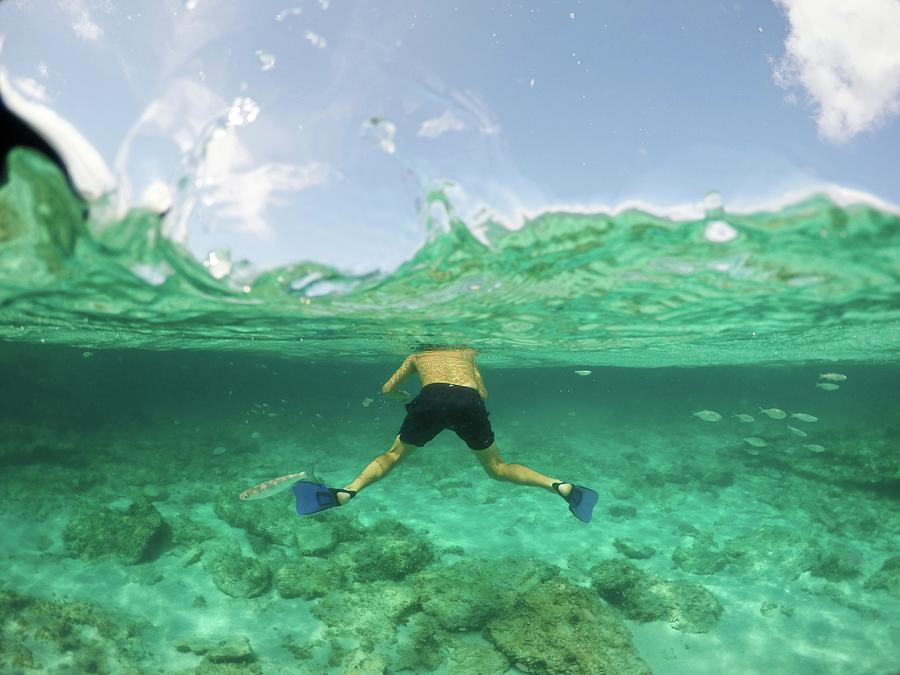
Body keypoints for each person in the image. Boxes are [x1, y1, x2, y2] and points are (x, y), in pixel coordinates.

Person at [292, 346, 598, 522]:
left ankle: (347, 492)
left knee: (393, 454)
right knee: (497, 468)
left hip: (431, 397)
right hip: (468, 400)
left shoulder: (418, 353)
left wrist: (403, 398)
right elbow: (483, 393)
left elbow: (387, 389)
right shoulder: (467, 353)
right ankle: (561, 486)